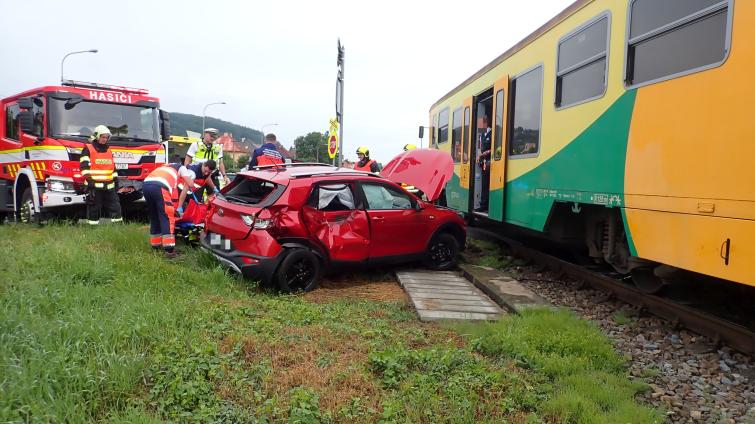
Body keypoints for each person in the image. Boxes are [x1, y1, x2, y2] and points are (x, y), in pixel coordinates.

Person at [142, 162, 200, 258]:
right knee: (167, 217)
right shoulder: (182, 168)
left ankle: (156, 246)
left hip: (146, 185)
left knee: (155, 216)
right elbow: (190, 183)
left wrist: (175, 209)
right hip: (160, 186)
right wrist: (190, 180)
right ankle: (169, 251)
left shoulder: (166, 166)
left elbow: (172, 197)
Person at [80, 125, 122, 225]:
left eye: (106, 137)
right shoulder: (88, 149)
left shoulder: (109, 150)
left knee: (116, 207)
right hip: (94, 186)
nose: (104, 139)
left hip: (109, 186)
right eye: (103, 137)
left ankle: (118, 227)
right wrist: (89, 180)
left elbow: (113, 167)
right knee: (94, 208)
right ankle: (92, 228)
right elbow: (84, 167)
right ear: (97, 136)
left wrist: (116, 181)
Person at [184, 128, 225, 197]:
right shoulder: (196, 145)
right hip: (198, 175)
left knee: (216, 198)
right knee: (195, 198)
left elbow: (220, 163)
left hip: (212, 175)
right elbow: (187, 161)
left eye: (215, 136)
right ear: (205, 134)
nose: (213, 138)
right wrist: (187, 175)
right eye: (211, 136)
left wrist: (224, 175)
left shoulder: (218, 147)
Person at [476, 116, 492, 211]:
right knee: (484, 184)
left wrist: (485, 153)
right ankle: (483, 205)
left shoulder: (492, 133)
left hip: (490, 162)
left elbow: (494, 147)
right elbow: (480, 148)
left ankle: (485, 205)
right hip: (483, 163)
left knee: (487, 185)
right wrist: (479, 156)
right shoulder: (481, 135)